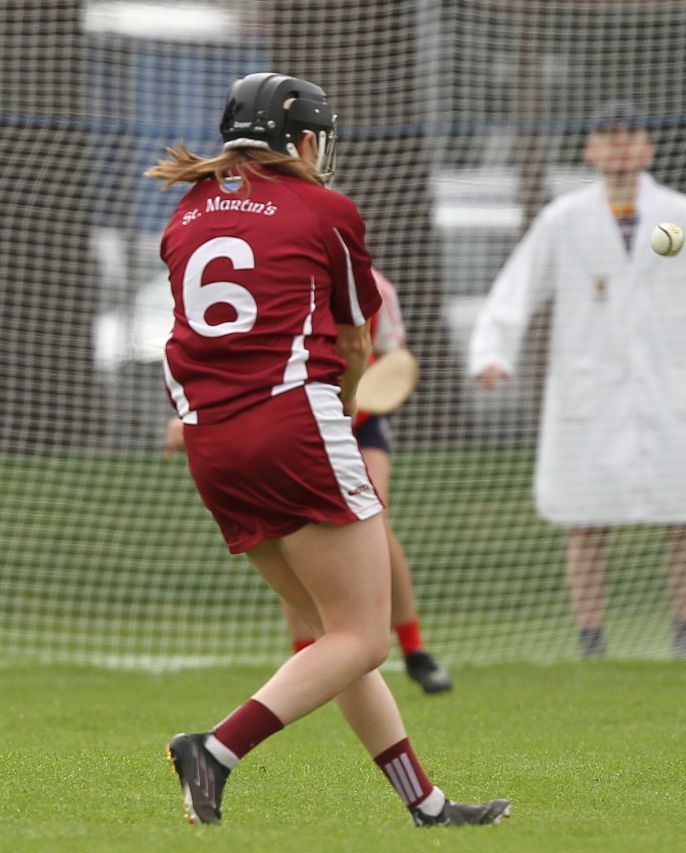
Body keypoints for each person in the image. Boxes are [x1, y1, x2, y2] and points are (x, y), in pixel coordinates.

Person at [147, 72, 507, 827]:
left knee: (329, 635)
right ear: (304, 141)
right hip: (292, 428)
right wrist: (343, 406)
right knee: (363, 636)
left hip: (211, 441)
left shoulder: (186, 211)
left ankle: (427, 804)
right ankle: (214, 749)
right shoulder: (325, 208)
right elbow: (353, 340)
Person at [469, 101, 686, 659]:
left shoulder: (682, 218)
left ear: (648, 146)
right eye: (606, 136)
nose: (619, 145)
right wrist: (492, 353)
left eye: (630, 134)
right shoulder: (563, 220)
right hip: (588, 394)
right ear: (589, 150)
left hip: (666, 391)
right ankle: (591, 637)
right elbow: (515, 289)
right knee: (585, 520)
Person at [163, 268, 453, 695]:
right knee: (290, 530)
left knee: (376, 525)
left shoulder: (373, 287)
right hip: (295, 425)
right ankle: (308, 656)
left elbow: (395, 360)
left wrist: (356, 399)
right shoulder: (278, 278)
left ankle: (414, 651)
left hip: (359, 424)